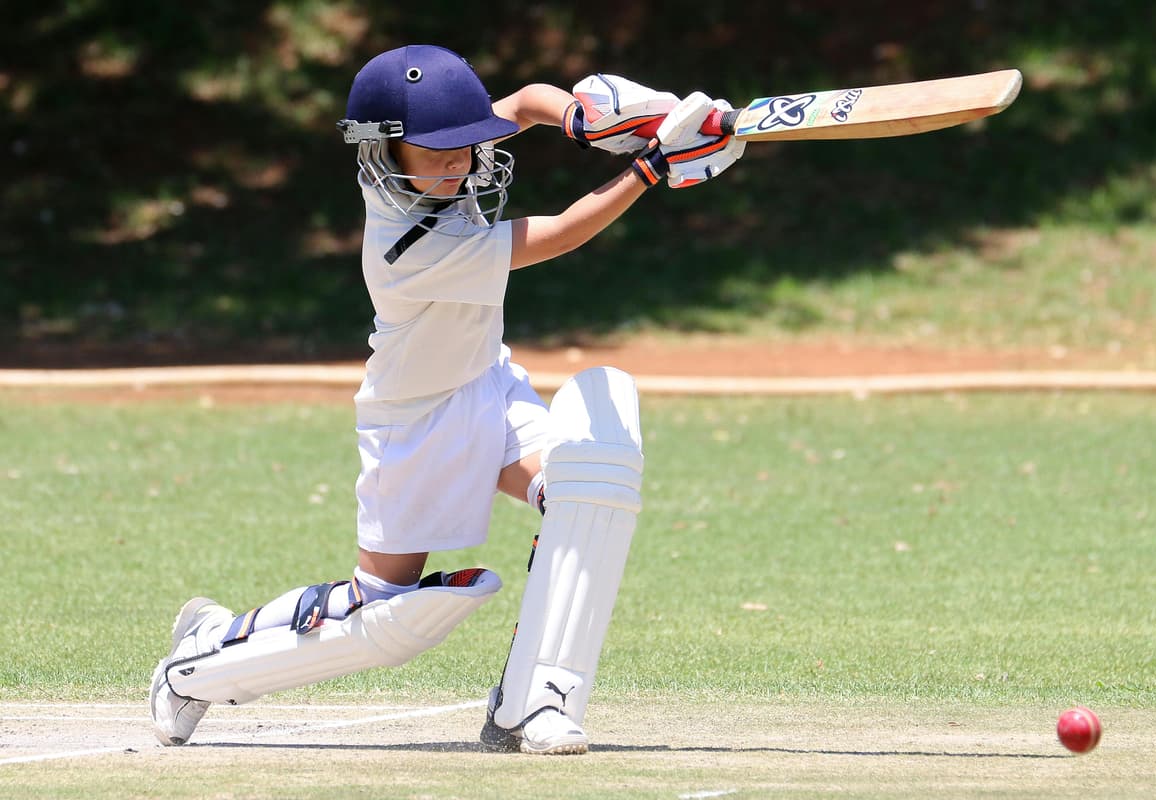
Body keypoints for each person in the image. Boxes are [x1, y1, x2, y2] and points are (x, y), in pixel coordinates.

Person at [149, 44, 744, 755]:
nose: (458, 162)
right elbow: (555, 235)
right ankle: (199, 664)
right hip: (416, 422)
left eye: (464, 146)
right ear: (381, 151)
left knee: (586, 491)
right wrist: (648, 169)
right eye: (437, 151)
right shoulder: (409, 243)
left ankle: (531, 705)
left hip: (487, 382)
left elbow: (523, 103)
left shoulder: (423, 160)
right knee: (387, 617)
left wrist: (582, 121)